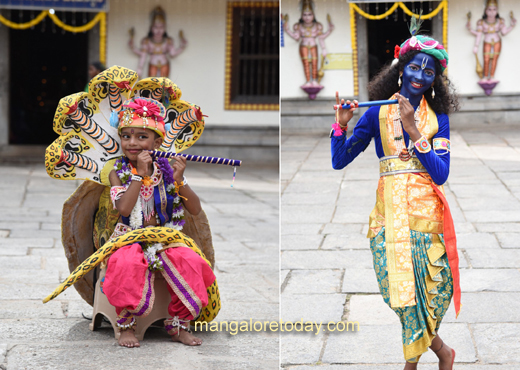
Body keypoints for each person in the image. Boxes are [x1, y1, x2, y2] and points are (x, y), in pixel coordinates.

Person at [331, 33, 460, 370]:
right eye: (414, 68)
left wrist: (414, 131)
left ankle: (412, 365)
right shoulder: (376, 113)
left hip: (425, 217)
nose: (420, 76)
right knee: (399, 294)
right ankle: (443, 351)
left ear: (435, 80)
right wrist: (341, 125)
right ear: (400, 70)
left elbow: (441, 173)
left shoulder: (438, 118)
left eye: (429, 72)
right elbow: (340, 160)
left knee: (429, 292)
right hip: (387, 216)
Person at [105, 97, 215, 348]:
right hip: (128, 237)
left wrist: (180, 180)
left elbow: (194, 209)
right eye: (126, 136)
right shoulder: (116, 170)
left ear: (157, 142)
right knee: (125, 262)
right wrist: (139, 176)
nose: (132, 143)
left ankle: (179, 325)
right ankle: (127, 326)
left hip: (165, 237)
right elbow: (123, 208)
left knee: (191, 261)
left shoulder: (166, 170)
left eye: (142, 137)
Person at [283, 0, 334, 88]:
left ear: (313, 15)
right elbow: (296, 37)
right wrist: (286, 29)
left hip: (314, 45)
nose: (307, 17)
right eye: (305, 15)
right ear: (301, 16)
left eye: (309, 14)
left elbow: (321, 38)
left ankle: (314, 80)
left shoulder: (317, 25)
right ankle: (308, 81)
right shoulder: (298, 26)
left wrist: (324, 47)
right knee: (306, 63)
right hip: (303, 46)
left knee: (315, 62)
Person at [129, 6, 187, 78]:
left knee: (164, 86)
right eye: (155, 27)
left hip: (164, 64)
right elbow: (143, 55)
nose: (158, 31)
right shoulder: (147, 41)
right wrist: (139, 69)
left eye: (161, 27)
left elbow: (173, 54)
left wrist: (182, 45)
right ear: (151, 28)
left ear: (165, 28)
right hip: (152, 64)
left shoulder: (168, 41)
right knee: (152, 86)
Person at [466, 0, 516, 83]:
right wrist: (475, 45)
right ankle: (485, 76)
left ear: (497, 10)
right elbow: (478, 34)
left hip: (497, 41)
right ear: (485, 10)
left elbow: (504, 32)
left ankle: (492, 76)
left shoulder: (500, 21)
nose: (492, 12)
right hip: (487, 41)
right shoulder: (482, 22)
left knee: (495, 59)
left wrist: (512, 25)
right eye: (489, 9)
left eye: (494, 9)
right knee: (486, 59)